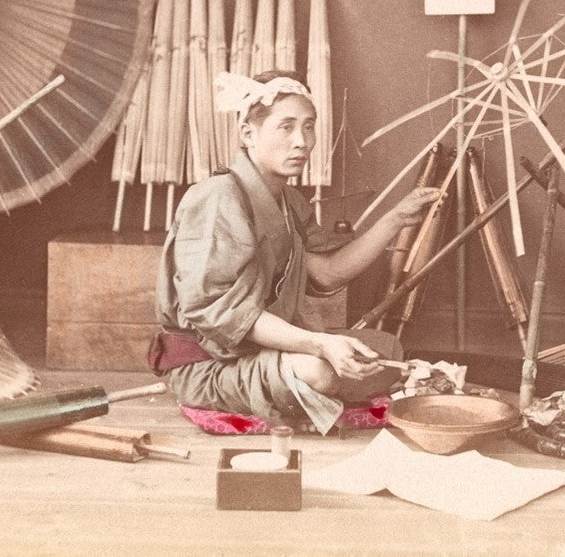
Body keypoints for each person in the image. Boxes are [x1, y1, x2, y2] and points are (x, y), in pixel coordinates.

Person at [152, 69, 440, 432]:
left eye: (309, 126)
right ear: (248, 133)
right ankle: (298, 381)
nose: (301, 141)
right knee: (320, 370)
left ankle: (303, 377)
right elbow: (219, 313)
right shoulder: (216, 197)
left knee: (386, 350)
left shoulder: (290, 201)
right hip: (210, 362)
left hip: (257, 350)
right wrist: (319, 344)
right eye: (286, 127)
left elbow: (328, 273)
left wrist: (395, 219)